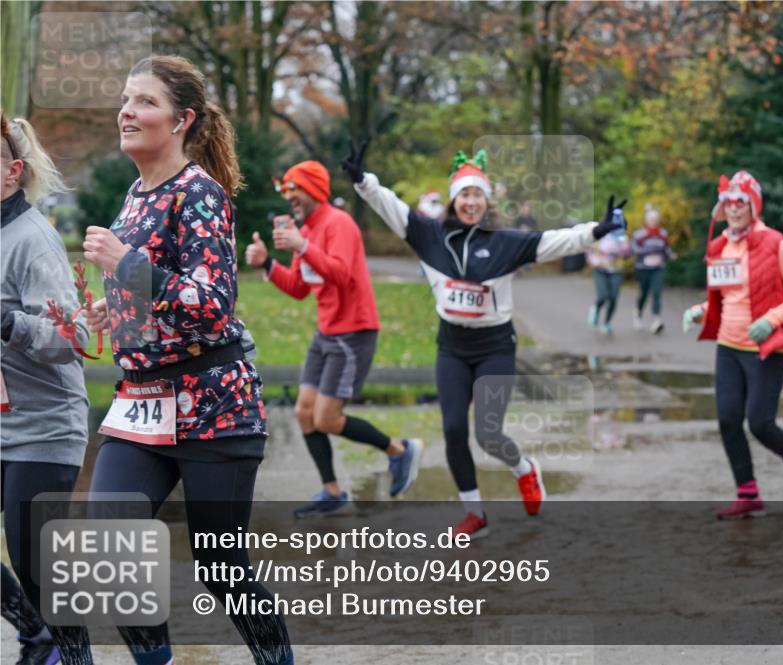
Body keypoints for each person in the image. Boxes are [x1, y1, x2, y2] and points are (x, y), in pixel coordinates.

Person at [82, 55, 293, 665]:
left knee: (221, 565)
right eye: (126, 99)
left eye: (144, 101)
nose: (127, 111)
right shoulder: (135, 193)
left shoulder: (199, 193)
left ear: (182, 120)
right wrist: (113, 312)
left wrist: (125, 264)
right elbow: (155, 297)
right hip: (143, 402)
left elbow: (210, 302)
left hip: (213, 405)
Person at [344, 142, 626, 539]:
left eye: (477, 194)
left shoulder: (505, 242)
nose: (471, 202)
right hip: (452, 349)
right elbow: (392, 207)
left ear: (487, 200)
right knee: (454, 429)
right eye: (464, 194)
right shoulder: (429, 236)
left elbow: (555, 241)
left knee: (488, 433)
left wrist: (596, 230)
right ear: (453, 200)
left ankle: (524, 469)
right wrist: (362, 180)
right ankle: (474, 512)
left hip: (495, 347)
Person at [245, 160, 422, 517]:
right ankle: (332, 491)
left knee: (326, 418)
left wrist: (301, 246)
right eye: (287, 190)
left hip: (353, 332)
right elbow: (298, 288)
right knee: (305, 413)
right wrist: (267, 264)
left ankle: (400, 450)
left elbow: (341, 274)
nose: (290, 197)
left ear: (313, 189)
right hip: (326, 332)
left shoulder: (338, 224)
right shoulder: (305, 231)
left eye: (295, 189)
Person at [1, 114, 94, 665]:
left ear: (13, 172)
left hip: (45, 427)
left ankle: (68, 653)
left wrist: (9, 324)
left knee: (37, 565)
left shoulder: (34, 240)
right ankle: (38, 635)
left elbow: (75, 335)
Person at [682, 171, 783, 519]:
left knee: (760, 422)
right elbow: (724, 298)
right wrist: (700, 311)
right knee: (728, 421)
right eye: (728, 203)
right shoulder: (720, 245)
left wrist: (770, 320)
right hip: (728, 347)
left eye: (740, 202)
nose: (733, 209)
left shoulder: (775, 243)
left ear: (754, 206)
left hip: (766, 349)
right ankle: (748, 492)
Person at [631, 204, 676, 334]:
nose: (653, 222)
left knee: (657, 292)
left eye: (655, 219)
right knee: (643, 293)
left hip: (658, 267)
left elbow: (666, 248)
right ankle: (638, 315)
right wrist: (649, 251)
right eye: (651, 219)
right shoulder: (639, 234)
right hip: (643, 268)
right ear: (647, 220)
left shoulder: (663, 233)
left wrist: (670, 255)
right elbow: (634, 249)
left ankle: (657, 320)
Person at [587, 216, 631, 335]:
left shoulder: (622, 237)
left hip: (616, 270)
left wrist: (624, 246)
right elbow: (589, 251)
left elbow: (627, 254)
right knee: (603, 295)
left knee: (613, 298)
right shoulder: (600, 235)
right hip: (600, 269)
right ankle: (596, 308)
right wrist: (594, 262)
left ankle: (607, 323)